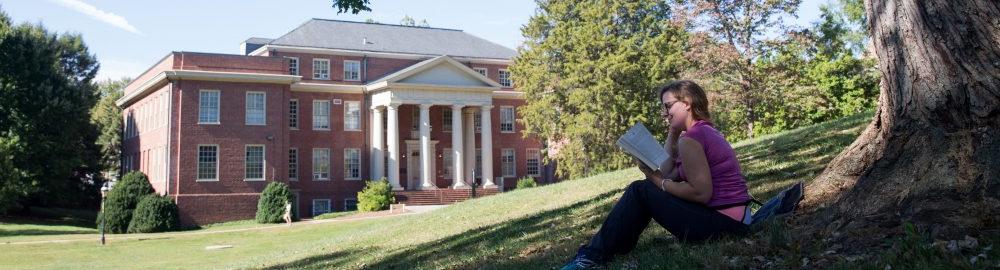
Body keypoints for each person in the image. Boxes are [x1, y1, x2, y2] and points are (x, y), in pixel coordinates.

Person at [561, 80, 753, 269]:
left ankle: (592, 257)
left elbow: (700, 193)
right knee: (643, 189)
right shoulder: (700, 132)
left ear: (686, 103)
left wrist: (655, 180)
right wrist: (673, 133)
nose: (665, 113)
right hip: (735, 221)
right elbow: (669, 172)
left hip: (726, 226)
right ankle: (608, 248)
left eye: (668, 106)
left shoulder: (693, 139)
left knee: (640, 190)